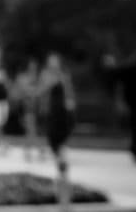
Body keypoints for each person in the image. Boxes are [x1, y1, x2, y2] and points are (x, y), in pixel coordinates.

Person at [39, 52, 76, 209]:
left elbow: (69, 97)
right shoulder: (46, 76)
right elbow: (41, 92)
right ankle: (62, 194)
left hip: (62, 118)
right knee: (59, 157)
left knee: (62, 158)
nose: (54, 64)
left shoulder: (63, 76)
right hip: (52, 118)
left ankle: (64, 196)